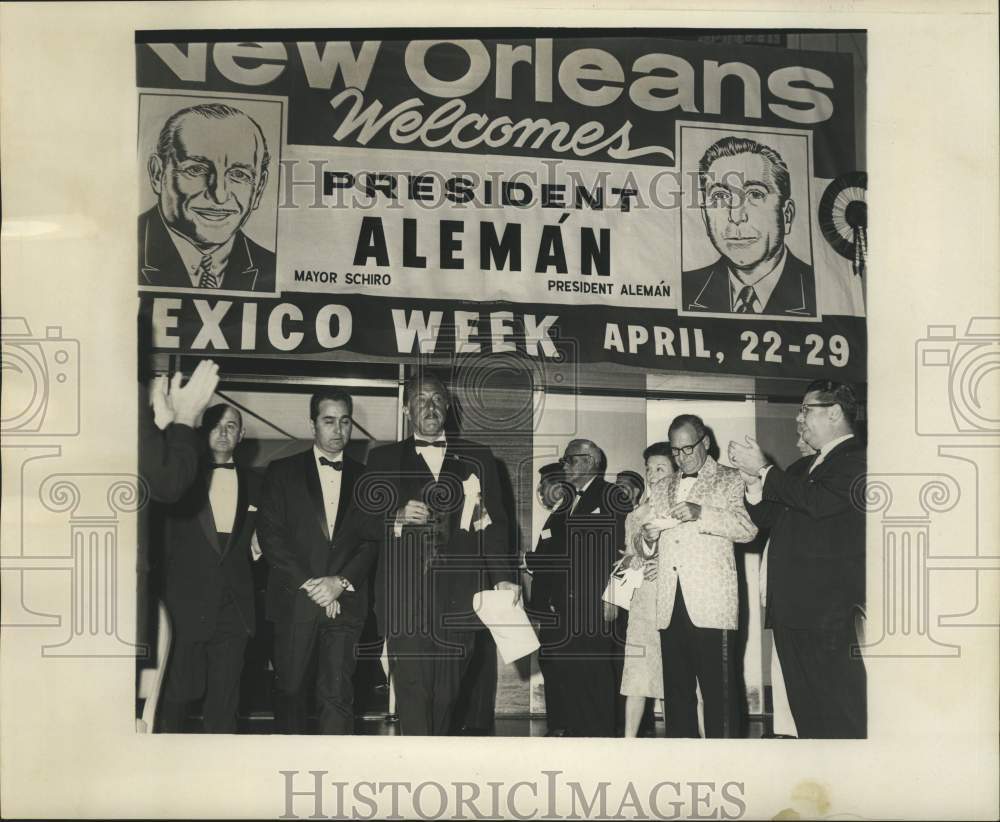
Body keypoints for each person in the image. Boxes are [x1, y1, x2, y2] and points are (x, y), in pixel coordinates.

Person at [357, 374, 518, 735]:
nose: (428, 406)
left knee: (448, 694)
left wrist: (505, 576)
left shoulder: (478, 457)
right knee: (413, 691)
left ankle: (437, 767)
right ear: (406, 407)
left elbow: (494, 526)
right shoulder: (382, 459)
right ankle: (416, 771)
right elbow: (360, 524)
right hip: (404, 597)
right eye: (419, 399)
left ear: (447, 407)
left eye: (436, 399)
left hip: (461, 596)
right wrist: (394, 516)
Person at [729, 380, 866, 738]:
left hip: (827, 612)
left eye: (806, 410)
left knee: (840, 710)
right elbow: (766, 520)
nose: (798, 418)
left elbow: (819, 503)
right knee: (808, 711)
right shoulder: (802, 468)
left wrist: (764, 471)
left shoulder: (857, 459)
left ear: (834, 413)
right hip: (791, 609)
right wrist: (752, 484)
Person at [257, 389, 376, 734]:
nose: (338, 429)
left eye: (345, 421)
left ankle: (334, 773)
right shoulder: (281, 471)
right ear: (312, 425)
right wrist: (315, 587)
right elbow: (271, 536)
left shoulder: (367, 477)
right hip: (296, 601)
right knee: (290, 692)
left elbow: (372, 540)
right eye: (328, 421)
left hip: (347, 600)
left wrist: (338, 583)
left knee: (337, 696)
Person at [641, 415, 757, 738]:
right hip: (670, 604)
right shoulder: (662, 486)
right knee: (677, 696)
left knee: (720, 695)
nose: (680, 457)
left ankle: (727, 768)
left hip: (712, 605)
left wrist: (700, 513)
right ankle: (684, 766)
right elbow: (646, 541)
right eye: (675, 451)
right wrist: (649, 539)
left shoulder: (731, 479)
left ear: (705, 442)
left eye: (687, 448)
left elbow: (748, 528)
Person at [156, 403, 260, 733]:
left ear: (242, 435)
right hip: (185, 609)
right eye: (216, 425)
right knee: (175, 702)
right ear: (203, 431)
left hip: (235, 611)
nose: (224, 431)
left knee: (224, 707)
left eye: (232, 425)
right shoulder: (181, 478)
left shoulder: (260, 483)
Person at [527, 439, 627, 737]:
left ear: (590, 462)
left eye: (570, 460)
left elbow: (623, 553)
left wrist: (612, 597)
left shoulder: (612, 496)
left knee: (593, 673)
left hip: (594, 604)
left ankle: (598, 737)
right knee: (566, 671)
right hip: (563, 605)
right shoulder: (567, 501)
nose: (565, 466)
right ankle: (569, 730)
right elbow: (555, 548)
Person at [139, 102, 276, 292]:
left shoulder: (273, 267)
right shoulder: (121, 248)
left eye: (238, 175)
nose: (219, 195)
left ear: (259, 188)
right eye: (196, 170)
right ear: (157, 174)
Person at [682, 136, 816, 317]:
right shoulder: (684, 289)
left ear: (787, 215)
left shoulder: (820, 288)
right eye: (720, 196)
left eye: (755, 194)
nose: (736, 216)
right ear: (705, 218)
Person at [619, 442, 674, 737]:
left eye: (660, 468)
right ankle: (628, 743)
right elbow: (631, 556)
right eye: (649, 468)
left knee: (673, 677)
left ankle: (693, 747)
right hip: (643, 604)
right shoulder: (635, 515)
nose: (653, 475)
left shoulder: (681, 511)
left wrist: (664, 565)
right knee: (638, 674)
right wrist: (630, 568)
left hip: (674, 600)